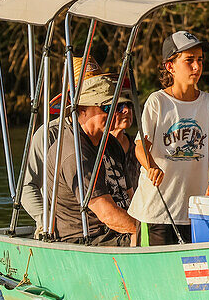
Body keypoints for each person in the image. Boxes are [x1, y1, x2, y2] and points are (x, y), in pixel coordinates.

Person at [129, 30, 209, 245]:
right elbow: (140, 146)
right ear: (170, 66)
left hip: (195, 211)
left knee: (195, 272)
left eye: (200, 60)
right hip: (157, 211)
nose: (197, 66)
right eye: (189, 61)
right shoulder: (157, 101)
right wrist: (151, 166)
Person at [22, 57, 137, 236]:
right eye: (105, 106)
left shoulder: (109, 140)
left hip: (108, 222)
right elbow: (27, 187)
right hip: (68, 224)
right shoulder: (52, 134)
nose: (115, 110)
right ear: (79, 103)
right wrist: (45, 220)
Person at [45, 72, 140, 245]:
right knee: (151, 238)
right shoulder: (74, 152)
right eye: (106, 108)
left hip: (118, 230)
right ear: (83, 110)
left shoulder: (111, 143)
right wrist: (144, 232)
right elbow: (106, 213)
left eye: (117, 107)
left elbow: (130, 196)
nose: (115, 114)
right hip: (91, 238)